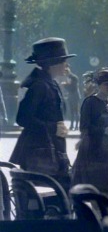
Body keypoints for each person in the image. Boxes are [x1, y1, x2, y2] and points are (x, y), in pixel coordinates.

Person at [10, 38, 75, 190]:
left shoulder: (50, 82)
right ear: (53, 64)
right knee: (50, 193)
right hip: (39, 153)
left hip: (50, 149)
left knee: (62, 190)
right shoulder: (39, 85)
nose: (66, 64)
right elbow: (23, 118)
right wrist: (53, 128)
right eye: (63, 60)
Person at [71, 67, 108, 199]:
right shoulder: (90, 102)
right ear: (99, 85)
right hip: (94, 150)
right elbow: (84, 127)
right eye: (106, 84)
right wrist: (102, 130)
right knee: (95, 189)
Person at [63, 66, 81, 131]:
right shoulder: (68, 78)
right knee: (71, 112)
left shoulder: (74, 78)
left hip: (75, 96)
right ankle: (72, 125)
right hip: (70, 96)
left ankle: (76, 126)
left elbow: (73, 87)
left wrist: (65, 85)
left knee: (76, 112)